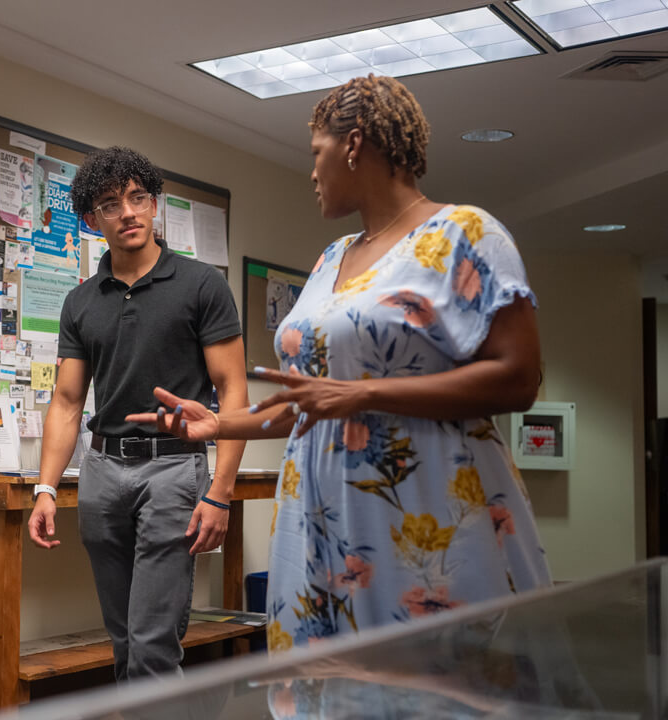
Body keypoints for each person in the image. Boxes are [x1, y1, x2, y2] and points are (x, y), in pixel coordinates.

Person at [128, 74, 552, 651]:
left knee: (433, 683)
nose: (311, 172)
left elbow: (520, 378)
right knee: (326, 683)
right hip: (321, 510)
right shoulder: (331, 259)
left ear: (353, 145)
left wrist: (366, 395)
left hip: (424, 504)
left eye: (316, 154)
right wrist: (216, 425)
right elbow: (310, 405)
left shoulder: (466, 233)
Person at [27, 146, 248, 681]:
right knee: (123, 639)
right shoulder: (80, 302)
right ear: (91, 220)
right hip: (103, 472)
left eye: (137, 198)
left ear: (154, 204)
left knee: (153, 642)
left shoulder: (201, 285)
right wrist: (46, 489)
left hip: (174, 470)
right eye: (110, 204)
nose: (127, 212)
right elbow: (67, 400)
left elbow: (233, 391)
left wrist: (219, 492)